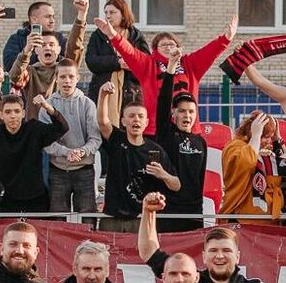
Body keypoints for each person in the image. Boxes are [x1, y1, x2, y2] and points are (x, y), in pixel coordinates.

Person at [95, 14, 237, 133]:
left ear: (179, 47)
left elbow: (209, 52)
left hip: (188, 129)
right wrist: (113, 35)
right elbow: (129, 51)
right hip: (157, 130)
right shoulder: (148, 65)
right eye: (163, 45)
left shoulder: (189, 64)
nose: (168, 48)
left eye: (172, 44)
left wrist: (226, 38)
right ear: (155, 49)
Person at [138, 206, 286, 283]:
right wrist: (148, 211)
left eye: (226, 251)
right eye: (213, 251)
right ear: (204, 257)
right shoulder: (190, 281)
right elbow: (149, 252)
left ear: (237, 257)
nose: (219, 256)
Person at [96, 96, 177, 231]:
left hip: (141, 217)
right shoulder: (117, 140)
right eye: (131, 116)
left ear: (146, 122)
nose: (136, 119)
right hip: (112, 217)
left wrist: (164, 175)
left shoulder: (155, 150)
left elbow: (176, 185)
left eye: (140, 116)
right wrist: (103, 94)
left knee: (141, 252)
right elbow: (102, 121)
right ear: (123, 121)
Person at [8, 0, 88, 116]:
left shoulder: (63, 68)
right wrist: (26, 51)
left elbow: (74, 47)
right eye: (43, 45)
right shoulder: (30, 71)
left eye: (52, 44)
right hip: (36, 126)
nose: (48, 48)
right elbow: (15, 76)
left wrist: (81, 15)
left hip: (61, 124)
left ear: (59, 49)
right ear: (36, 50)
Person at [42, 61, 102, 215]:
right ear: (56, 78)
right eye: (62, 76)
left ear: (78, 78)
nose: (67, 81)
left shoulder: (88, 104)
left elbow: (95, 139)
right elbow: (45, 141)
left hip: (84, 169)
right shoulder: (47, 106)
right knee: (57, 217)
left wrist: (81, 151)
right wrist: (65, 152)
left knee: (87, 215)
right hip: (58, 170)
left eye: (71, 76)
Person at [151, 92, 211, 232]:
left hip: (194, 212)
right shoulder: (167, 136)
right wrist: (170, 72)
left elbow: (199, 179)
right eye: (182, 111)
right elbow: (163, 104)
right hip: (169, 212)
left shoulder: (200, 142)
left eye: (191, 111)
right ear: (174, 114)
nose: (187, 115)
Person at [220, 111, 282, 219]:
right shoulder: (234, 146)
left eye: (270, 137)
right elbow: (247, 161)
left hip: (268, 220)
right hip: (240, 218)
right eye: (266, 136)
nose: (268, 141)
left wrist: (277, 141)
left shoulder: (265, 150)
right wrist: (256, 136)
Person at [84, 0, 147, 99]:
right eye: (106, 12)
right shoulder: (98, 35)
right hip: (102, 91)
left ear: (123, 14)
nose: (108, 16)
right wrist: (117, 63)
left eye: (112, 12)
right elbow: (91, 61)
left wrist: (131, 64)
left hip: (131, 93)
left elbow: (146, 63)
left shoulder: (135, 35)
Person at [1, 0, 62, 69]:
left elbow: (70, 62)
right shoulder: (17, 39)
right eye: (48, 17)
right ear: (34, 19)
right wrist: (27, 50)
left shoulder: (59, 38)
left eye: (53, 17)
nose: (52, 21)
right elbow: (9, 66)